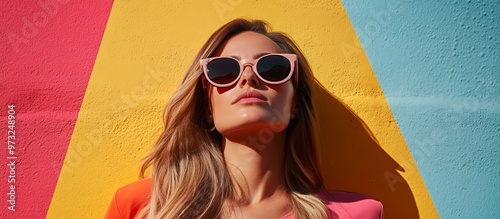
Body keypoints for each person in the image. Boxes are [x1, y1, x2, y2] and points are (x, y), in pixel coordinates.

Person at [105, 18, 384, 219]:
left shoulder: (358, 214)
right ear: (207, 108)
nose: (248, 77)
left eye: (273, 69)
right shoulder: (143, 206)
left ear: (296, 103)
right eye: (224, 70)